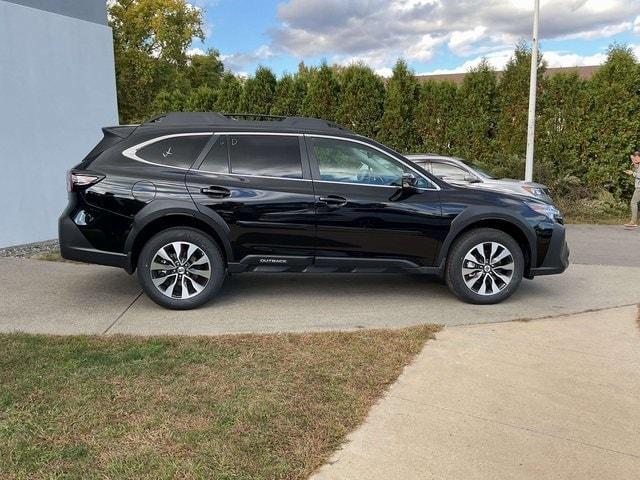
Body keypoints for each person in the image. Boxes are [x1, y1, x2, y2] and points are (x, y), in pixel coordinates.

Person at [624, 151, 640, 228]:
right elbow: (637, 170)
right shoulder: (638, 165)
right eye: (634, 157)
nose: (635, 159)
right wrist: (634, 162)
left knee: (633, 203)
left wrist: (632, 173)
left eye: (636, 157)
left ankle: (633, 221)